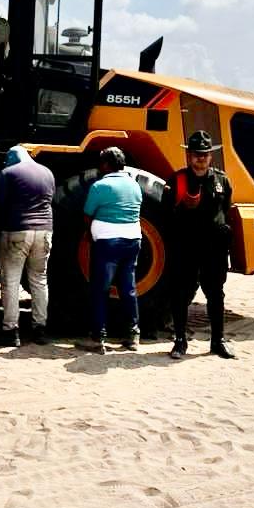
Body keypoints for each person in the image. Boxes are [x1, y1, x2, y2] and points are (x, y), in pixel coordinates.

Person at [167, 131, 236, 360]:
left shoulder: (222, 180)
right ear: (189, 155)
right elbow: (165, 214)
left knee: (216, 294)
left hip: (213, 249)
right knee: (181, 294)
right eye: (197, 154)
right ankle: (180, 341)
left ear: (211, 156)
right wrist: (184, 207)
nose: (201, 158)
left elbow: (224, 209)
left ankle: (218, 341)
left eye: (205, 154)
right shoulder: (177, 180)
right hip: (186, 247)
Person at [82, 146, 142, 354]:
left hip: (108, 242)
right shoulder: (134, 185)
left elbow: (88, 214)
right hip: (133, 240)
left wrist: (91, 234)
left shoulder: (100, 186)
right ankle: (133, 335)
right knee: (128, 288)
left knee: (100, 289)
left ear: (106, 164)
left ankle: (98, 338)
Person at [0, 145, 55, 347]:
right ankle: (40, 329)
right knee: (39, 280)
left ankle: (11, 331)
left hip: (18, 230)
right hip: (45, 231)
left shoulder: (8, 173)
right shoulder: (47, 172)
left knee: (10, 280)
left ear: (11, 157)